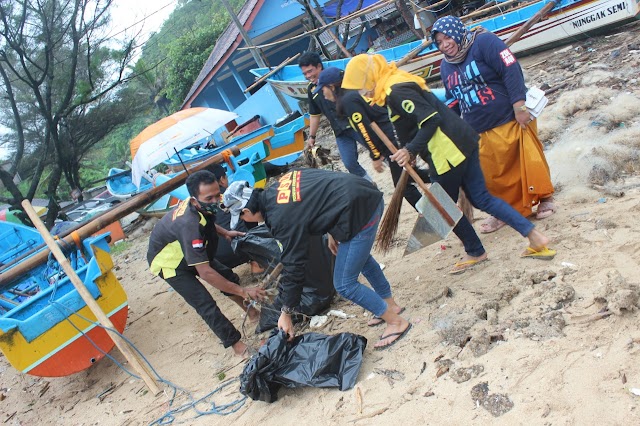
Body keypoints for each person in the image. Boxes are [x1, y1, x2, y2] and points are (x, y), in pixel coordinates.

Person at [342, 54, 557, 274]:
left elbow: (430, 119)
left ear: (370, 76)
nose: (363, 92)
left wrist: (409, 150)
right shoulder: (398, 79)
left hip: (446, 152)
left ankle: (475, 251)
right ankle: (535, 237)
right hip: (464, 140)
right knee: (481, 199)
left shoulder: (396, 91)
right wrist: (412, 148)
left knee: (439, 207)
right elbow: (415, 122)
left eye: (362, 85)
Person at [222, 169, 411, 350]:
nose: (245, 221)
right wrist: (331, 229)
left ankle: (396, 322)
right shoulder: (280, 186)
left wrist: (286, 312)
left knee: (345, 284)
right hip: (361, 196)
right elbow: (319, 193)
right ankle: (390, 305)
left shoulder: (281, 218)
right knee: (360, 259)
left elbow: (294, 265)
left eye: (241, 216)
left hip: (360, 211)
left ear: (246, 210)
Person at [432, 16, 556, 234]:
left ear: (457, 32)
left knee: (526, 161)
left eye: (447, 37)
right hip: (476, 128)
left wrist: (519, 106)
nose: (445, 44)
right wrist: (450, 129)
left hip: (508, 117)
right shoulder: (445, 66)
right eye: (439, 42)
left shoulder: (485, 43)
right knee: (492, 174)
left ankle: (545, 198)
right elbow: (453, 99)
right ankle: (503, 212)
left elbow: (511, 68)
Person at [147, 170, 266, 357]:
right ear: (194, 200)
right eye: (209, 198)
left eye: (217, 195)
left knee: (227, 276)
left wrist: (224, 232)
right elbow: (205, 272)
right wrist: (244, 291)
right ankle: (237, 345)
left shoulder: (199, 206)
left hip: (188, 251)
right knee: (205, 303)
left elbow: (206, 221)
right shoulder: (189, 225)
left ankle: (252, 313)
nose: (215, 201)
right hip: (170, 264)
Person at [314, 66, 428, 209]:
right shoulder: (350, 95)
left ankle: (430, 214)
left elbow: (364, 129)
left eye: (323, 90)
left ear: (332, 87)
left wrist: (375, 156)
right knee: (411, 176)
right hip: (391, 137)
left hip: (391, 140)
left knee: (403, 187)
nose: (323, 95)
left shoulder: (348, 101)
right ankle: (441, 180)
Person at [298, 51, 373, 183]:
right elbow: (315, 115)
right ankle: (370, 186)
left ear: (319, 66)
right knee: (349, 163)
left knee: (378, 150)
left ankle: (403, 173)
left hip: (357, 124)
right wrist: (311, 137)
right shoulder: (311, 89)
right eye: (305, 74)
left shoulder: (337, 77)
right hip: (340, 132)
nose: (308, 76)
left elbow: (361, 93)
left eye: (310, 71)